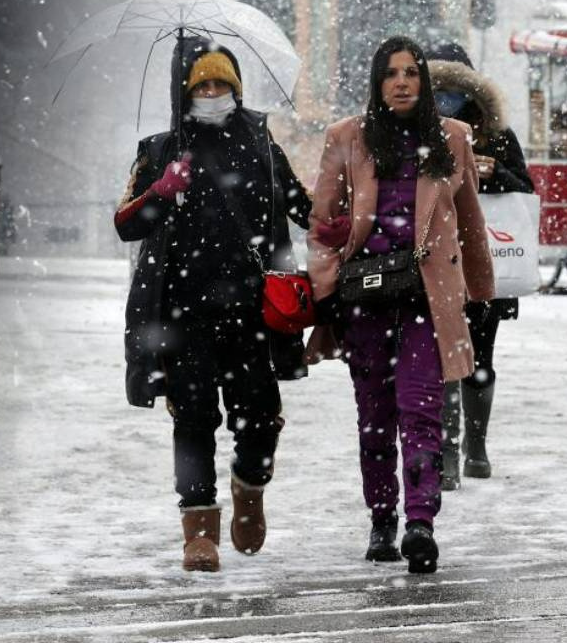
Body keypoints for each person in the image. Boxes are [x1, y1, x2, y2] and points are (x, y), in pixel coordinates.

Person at [115, 36, 311, 572]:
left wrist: (338, 226)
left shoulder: (263, 143)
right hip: (182, 312)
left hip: (251, 310)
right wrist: (159, 190)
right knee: (194, 420)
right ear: (185, 91)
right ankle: (198, 528)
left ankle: (250, 489)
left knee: (260, 417)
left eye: (221, 82)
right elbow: (126, 224)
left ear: (237, 87)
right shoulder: (160, 149)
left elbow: (300, 205)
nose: (212, 91)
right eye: (201, 83)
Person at [305, 36, 494, 575]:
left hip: (426, 301)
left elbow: (471, 221)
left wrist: (481, 293)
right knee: (374, 417)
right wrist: (325, 288)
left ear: (424, 81)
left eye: (411, 72)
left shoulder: (451, 138)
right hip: (364, 301)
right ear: (377, 82)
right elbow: (323, 225)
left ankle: (420, 522)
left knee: (421, 409)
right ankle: (382, 517)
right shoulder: (346, 138)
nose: (403, 82)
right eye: (392, 74)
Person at [427, 44, 536, 489]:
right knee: (448, 355)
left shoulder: (496, 134)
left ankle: (475, 447)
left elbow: (525, 193)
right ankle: (452, 452)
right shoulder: (422, 133)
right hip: (436, 260)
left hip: (486, 261)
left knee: (478, 354)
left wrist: (495, 176)